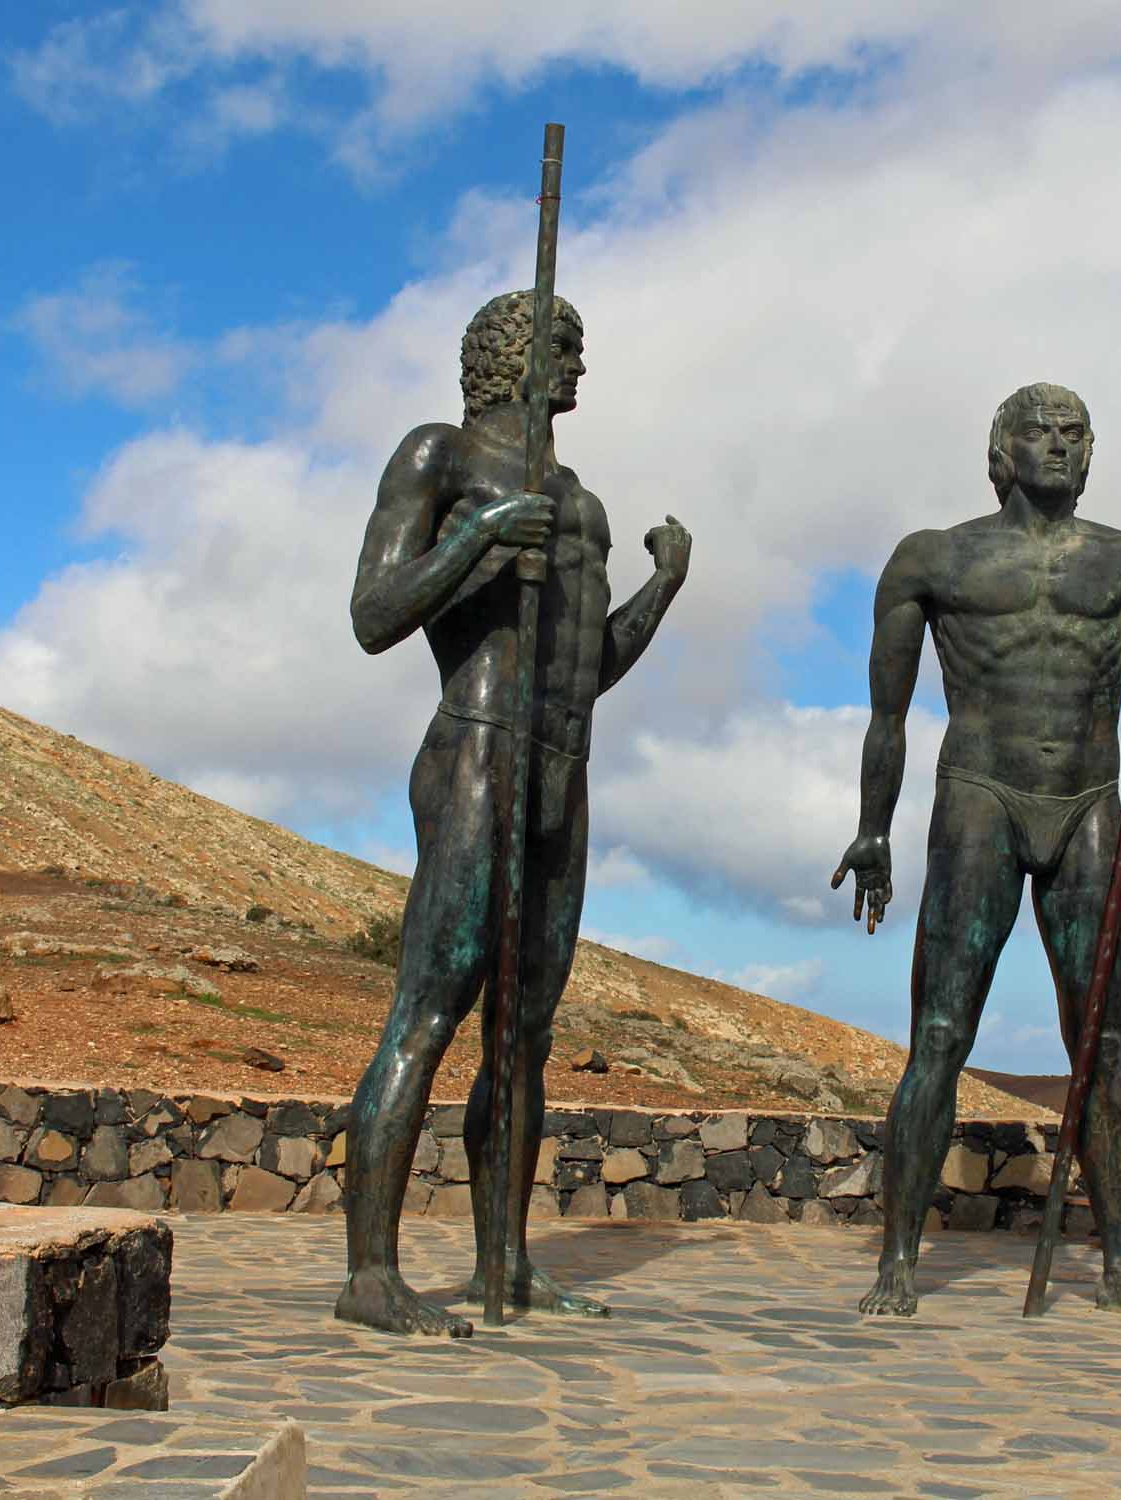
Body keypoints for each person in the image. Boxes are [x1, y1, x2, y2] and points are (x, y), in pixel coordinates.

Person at [339, 290, 691, 1336]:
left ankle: (508, 1263)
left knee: (525, 1034)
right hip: (474, 753)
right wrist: (481, 537)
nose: (581, 362)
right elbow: (373, 615)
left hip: (560, 767)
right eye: (565, 344)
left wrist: (662, 590)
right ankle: (370, 1275)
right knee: (430, 1011)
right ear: (513, 356)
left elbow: (586, 671)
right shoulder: (438, 458)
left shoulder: (581, 501)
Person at [831, 382, 1121, 1319]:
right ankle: (899, 1260)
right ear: (999, 450)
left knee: (1095, 1042)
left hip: (1087, 804)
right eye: (1038, 432)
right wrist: (873, 827)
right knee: (939, 1037)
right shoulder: (933, 559)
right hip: (977, 797)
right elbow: (887, 715)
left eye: (1075, 431)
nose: (1059, 445)